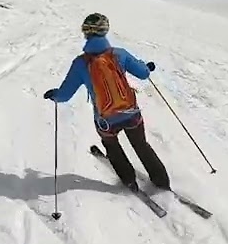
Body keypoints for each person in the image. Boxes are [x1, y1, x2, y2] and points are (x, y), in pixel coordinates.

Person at [43, 13, 171, 191]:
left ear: (85, 33)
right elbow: (143, 73)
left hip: (106, 120)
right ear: (105, 31)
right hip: (131, 113)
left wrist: (54, 95)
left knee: (112, 145)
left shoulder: (80, 63)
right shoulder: (119, 54)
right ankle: (162, 182)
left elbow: (64, 95)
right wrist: (146, 66)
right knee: (141, 144)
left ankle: (128, 180)